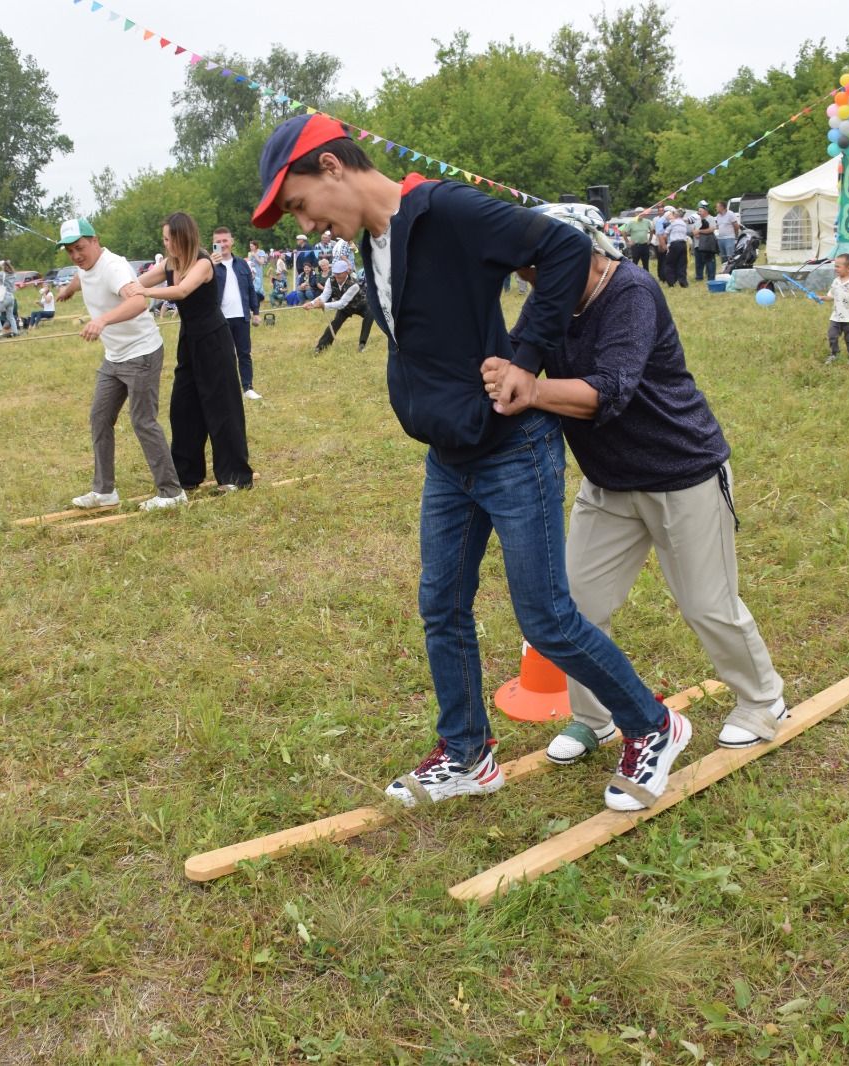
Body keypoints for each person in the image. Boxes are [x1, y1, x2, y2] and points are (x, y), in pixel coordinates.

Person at [252, 113, 678, 811]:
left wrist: (526, 359)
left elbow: (566, 249)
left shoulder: (445, 209)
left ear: (331, 168)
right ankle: (467, 753)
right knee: (441, 605)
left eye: (299, 206)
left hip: (513, 448)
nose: (305, 227)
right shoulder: (376, 241)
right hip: (449, 457)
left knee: (545, 618)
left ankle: (653, 726)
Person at [481, 202, 786, 761]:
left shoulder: (632, 291)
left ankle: (763, 700)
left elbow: (611, 389)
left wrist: (528, 388)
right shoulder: (547, 301)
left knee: (708, 604)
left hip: (682, 472)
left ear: (589, 252)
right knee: (574, 607)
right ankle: (594, 719)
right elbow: (509, 356)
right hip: (606, 484)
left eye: (541, 268)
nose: (533, 282)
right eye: (526, 273)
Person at [55, 217, 187, 513]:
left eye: (80, 248)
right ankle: (104, 491)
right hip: (114, 357)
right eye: (70, 251)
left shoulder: (114, 267)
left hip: (141, 353)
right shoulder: (84, 264)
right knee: (99, 418)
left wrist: (102, 320)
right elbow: (83, 274)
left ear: (95, 240)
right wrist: (70, 289)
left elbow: (139, 302)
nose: (76, 255)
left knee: (143, 421)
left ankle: (171, 492)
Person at [122, 213, 253, 493]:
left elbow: (181, 291)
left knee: (222, 408)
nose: (166, 244)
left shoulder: (203, 262)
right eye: (164, 239)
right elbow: (137, 279)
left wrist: (143, 292)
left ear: (183, 237)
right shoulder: (170, 263)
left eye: (170, 238)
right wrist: (119, 285)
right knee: (183, 408)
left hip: (213, 339)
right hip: (189, 339)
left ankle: (235, 476)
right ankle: (186, 475)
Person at [211, 226, 261, 400]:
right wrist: (210, 265)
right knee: (224, 356)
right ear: (213, 244)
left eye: (225, 240)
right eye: (218, 242)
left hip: (241, 317)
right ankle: (226, 390)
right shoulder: (208, 266)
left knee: (244, 353)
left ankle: (248, 388)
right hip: (219, 319)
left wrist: (256, 312)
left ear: (232, 241)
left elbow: (250, 289)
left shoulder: (242, 264)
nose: (222, 244)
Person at [305, 258, 373, 354]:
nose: (337, 276)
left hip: (360, 305)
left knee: (370, 314)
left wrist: (323, 305)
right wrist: (311, 304)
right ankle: (320, 347)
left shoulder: (354, 284)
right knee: (335, 323)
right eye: (335, 273)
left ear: (346, 272)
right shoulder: (330, 280)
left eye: (339, 273)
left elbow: (342, 303)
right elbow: (324, 295)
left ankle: (362, 344)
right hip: (345, 308)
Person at [824, 253, 849, 365]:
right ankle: (834, 354)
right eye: (835, 266)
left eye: (838, 266)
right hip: (836, 316)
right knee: (832, 336)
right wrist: (822, 298)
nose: (835, 269)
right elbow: (831, 296)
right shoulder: (836, 281)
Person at [662, 208, 690, 288]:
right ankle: (683, 282)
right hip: (683, 244)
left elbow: (665, 234)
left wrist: (667, 242)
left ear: (676, 215)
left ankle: (671, 282)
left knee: (670, 263)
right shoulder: (684, 223)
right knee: (682, 264)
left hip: (674, 244)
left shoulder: (673, 223)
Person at [693, 206, 718, 283]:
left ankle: (711, 278)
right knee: (698, 262)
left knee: (709, 261)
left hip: (707, 244)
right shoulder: (697, 220)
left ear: (706, 211)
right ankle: (699, 277)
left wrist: (699, 232)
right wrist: (695, 233)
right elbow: (694, 229)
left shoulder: (710, 218)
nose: (699, 213)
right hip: (697, 244)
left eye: (700, 211)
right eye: (698, 211)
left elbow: (711, 229)